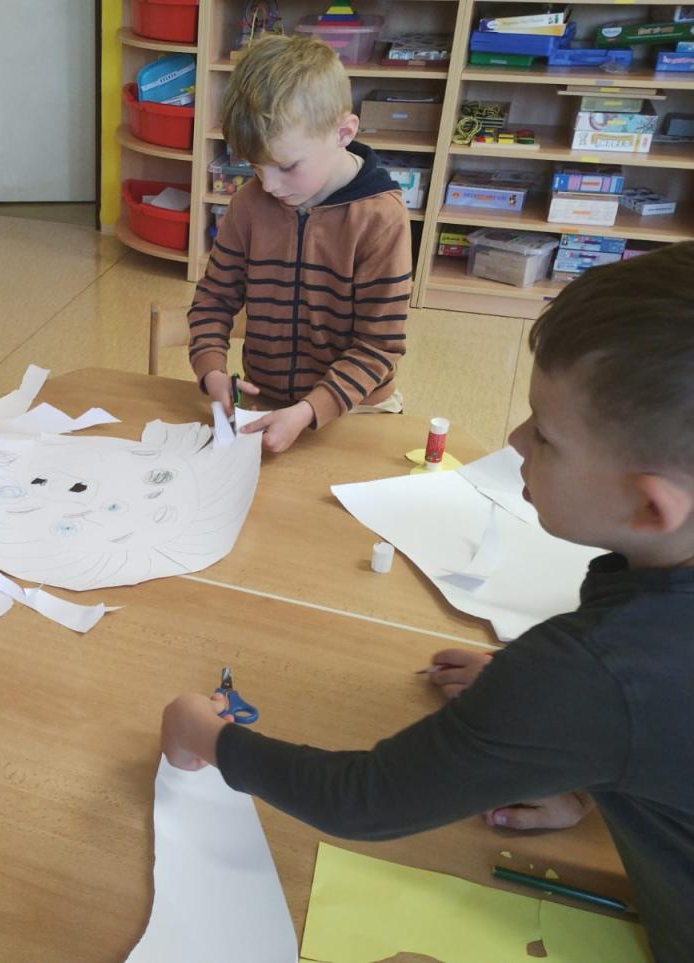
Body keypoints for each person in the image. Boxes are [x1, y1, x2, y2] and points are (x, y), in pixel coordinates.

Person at [161, 243, 694, 960]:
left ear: (652, 507)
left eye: (545, 434)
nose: (515, 440)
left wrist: (207, 737)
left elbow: (364, 799)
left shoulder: (593, 675)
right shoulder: (614, 669)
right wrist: (571, 752)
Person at [188, 34, 411, 454]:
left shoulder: (380, 218)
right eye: (256, 167)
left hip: (359, 410)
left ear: (343, 132)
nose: (269, 185)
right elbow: (214, 299)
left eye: (287, 166)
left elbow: (379, 345)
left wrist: (310, 410)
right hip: (267, 401)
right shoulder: (250, 203)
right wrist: (212, 371)